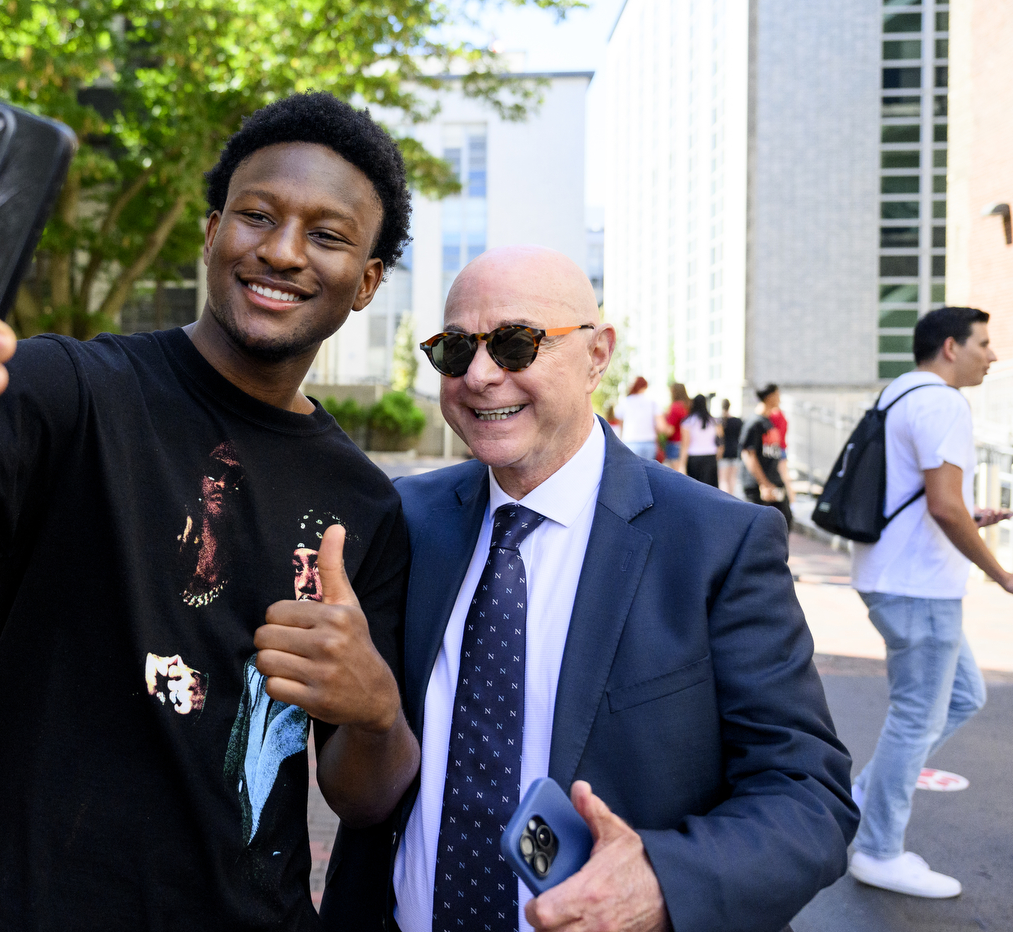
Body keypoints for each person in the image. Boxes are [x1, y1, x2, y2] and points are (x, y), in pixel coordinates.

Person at [0, 93, 423, 931]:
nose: (282, 251)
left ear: (365, 282)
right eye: (257, 215)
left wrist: (376, 709)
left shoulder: (365, 506)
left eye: (326, 234)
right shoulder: (68, 390)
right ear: (212, 233)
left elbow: (362, 795)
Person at [319, 246, 856, 932]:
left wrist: (662, 883)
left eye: (516, 344)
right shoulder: (405, 519)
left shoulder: (718, 541)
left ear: (598, 355)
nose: (481, 375)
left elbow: (807, 795)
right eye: (455, 350)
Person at [847, 306, 1013, 898]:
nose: (992, 356)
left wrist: (973, 515)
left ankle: (868, 792)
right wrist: (1000, 573)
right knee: (917, 716)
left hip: (896, 576)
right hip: (919, 588)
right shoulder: (943, 402)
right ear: (950, 346)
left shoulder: (899, 393)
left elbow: (928, 498)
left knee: (965, 694)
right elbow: (944, 505)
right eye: (984, 343)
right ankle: (877, 850)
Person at [739, 384, 792, 530]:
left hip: (774, 482)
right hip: (758, 486)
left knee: (785, 520)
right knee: (758, 528)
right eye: (777, 395)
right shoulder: (753, 423)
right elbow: (749, 455)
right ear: (769, 397)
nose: (779, 399)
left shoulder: (768, 422)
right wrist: (763, 484)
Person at [614, 375, 662, 459]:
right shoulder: (652, 403)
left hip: (630, 442)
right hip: (649, 443)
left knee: (632, 471)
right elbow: (660, 426)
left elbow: (620, 424)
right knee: (648, 471)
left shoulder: (624, 402)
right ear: (645, 386)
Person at [677, 393, 718, 487]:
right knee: (711, 490)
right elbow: (719, 440)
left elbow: (685, 444)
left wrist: (682, 464)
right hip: (710, 457)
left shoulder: (688, 421)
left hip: (694, 458)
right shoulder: (713, 421)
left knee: (696, 489)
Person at [717, 399, 743, 496]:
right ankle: (731, 497)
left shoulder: (720, 421)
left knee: (723, 479)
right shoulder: (737, 421)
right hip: (735, 451)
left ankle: (725, 498)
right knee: (732, 478)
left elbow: (719, 438)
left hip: (724, 452)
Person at [662, 381, 689, 470]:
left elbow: (670, 431)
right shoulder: (688, 406)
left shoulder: (675, 407)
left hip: (675, 443)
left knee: (677, 474)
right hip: (688, 443)